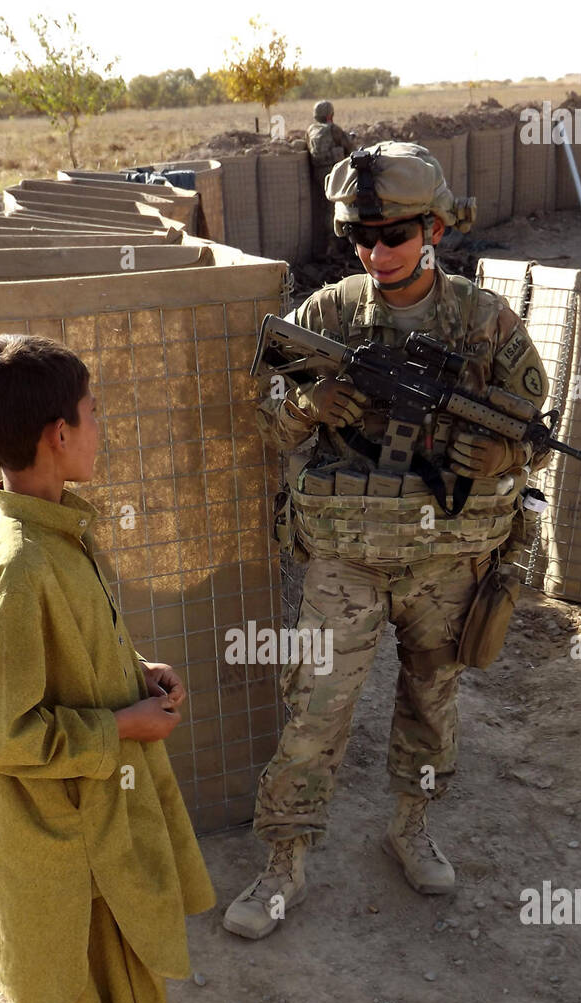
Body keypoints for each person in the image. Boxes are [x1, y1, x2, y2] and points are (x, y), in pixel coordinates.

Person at [223, 143, 551, 940]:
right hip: (346, 556)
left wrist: (507, 454)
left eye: (394, 234)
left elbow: (536, 429)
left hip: (447, 557)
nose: (375, 252)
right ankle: (284, 862)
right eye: (359, 236)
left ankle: (411, 825)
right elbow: (265, 415)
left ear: (433, 227)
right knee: (316, 709)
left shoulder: (482, 320)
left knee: (430, 702)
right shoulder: (328, 314)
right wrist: (312, 405)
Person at [0, 332, 219, 1003]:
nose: (102, 426)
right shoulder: (24, 563)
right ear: (57, 435)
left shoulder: (50, 529)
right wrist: (120, 729)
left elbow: (68, 656)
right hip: (61, 847)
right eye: (93, 413)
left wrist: (131, 674)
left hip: (95, 829)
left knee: (116, 997)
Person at [307, 100, 357, 258]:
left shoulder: (310, 129)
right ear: (331, 115)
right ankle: (334, 246)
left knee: (328, 207)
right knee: (340, 206)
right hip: (334, 173)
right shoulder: (333, 129)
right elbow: (350, 148)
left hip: (318, 174)